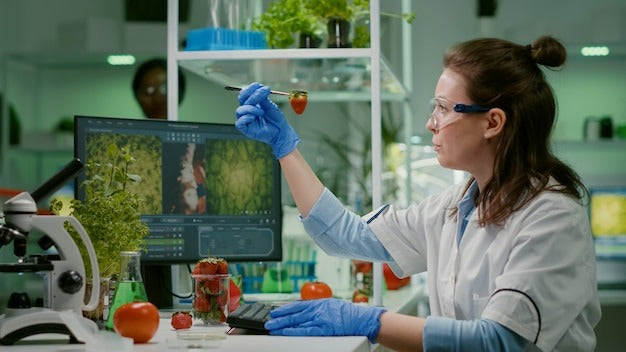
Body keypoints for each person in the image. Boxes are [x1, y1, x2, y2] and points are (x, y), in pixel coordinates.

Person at [233, 35, 601, 351]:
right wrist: (285, 148)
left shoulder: (551, 217)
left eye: (443, 109)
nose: (430, 123)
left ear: (493, 122)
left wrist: (369, 321)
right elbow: (346, 236)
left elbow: (500, 342)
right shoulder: (456, 207)